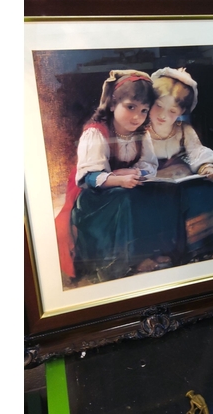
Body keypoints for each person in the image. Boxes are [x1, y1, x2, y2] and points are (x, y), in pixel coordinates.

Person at [54, 69, 175, 284]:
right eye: (131, 107)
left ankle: (151, 249)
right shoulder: (96, 132)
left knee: (155, 193)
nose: (137, 116)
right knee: (124, 197)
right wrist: (116, 179)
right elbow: (89, 178)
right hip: (93, 198)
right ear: (112, 105)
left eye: (144, 110)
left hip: (125, 186)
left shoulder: (141, 134)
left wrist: (136, 173)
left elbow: (149, 165)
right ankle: (127, 260)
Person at [147, 67, 213, 263]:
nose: (163, 115)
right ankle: (161, 252)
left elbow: (197, 152)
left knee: (208, 189)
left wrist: (205, 167)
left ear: (182, 112)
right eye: (158, 105)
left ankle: (200, 248)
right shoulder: (141, 131)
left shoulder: (183, 130)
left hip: (181, 179)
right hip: (152, 182)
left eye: (173, 110)